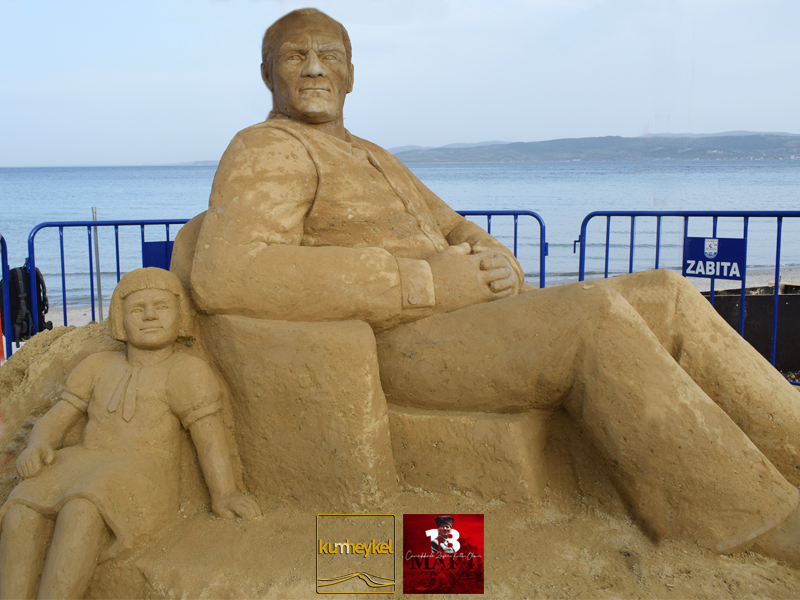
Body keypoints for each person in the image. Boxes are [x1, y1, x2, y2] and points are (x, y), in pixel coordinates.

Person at [185, 8, 800, 563]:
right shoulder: (267, 148)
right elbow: (229, 272)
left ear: (352, 75)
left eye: (330, 55)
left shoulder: (371, 152)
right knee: (589, 315)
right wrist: (422, 282)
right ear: (267, 73)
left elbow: (452, 225)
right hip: (399, 344)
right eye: (296, 56)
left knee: (666, 292)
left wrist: (497, 259)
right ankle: (746, 520)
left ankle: (790, 444)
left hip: (465, 322)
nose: (315, 68)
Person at [0, 268, 261, 599]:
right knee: (21, 512)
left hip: (144, 474)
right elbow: (57, 417)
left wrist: (224, 494)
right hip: (85, 462)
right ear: (120, 320)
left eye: (161, 307)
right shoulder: (97, 366)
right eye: (138, 309)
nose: (149, 316)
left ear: (180, 316)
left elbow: (209, 440)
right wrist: (38, 444)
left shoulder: (186, 371)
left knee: (82, 511)